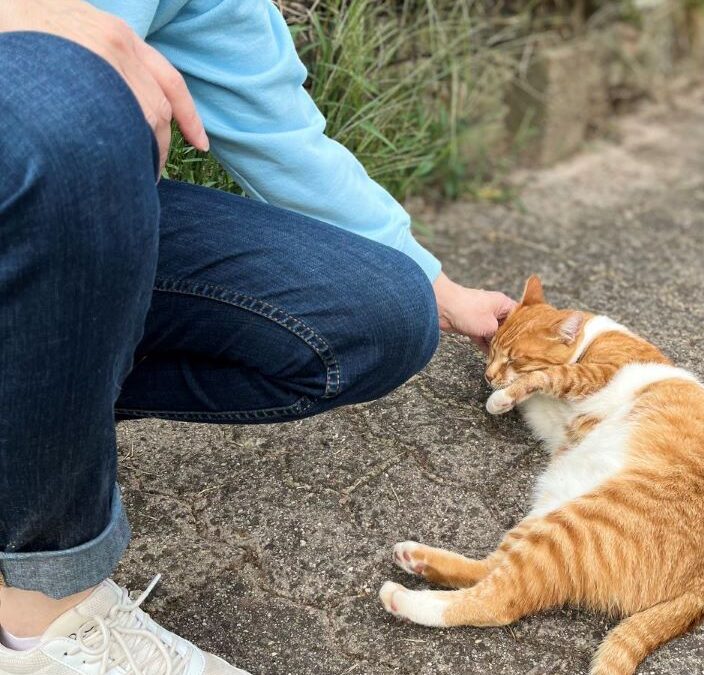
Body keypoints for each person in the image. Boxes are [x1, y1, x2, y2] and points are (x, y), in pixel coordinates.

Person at [0, 0, 516, 672]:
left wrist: (434, 283)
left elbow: (270, 121)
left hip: (60, 212)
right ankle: (41, 612)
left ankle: (33, 433)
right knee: (66, 100)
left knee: (383, 312)